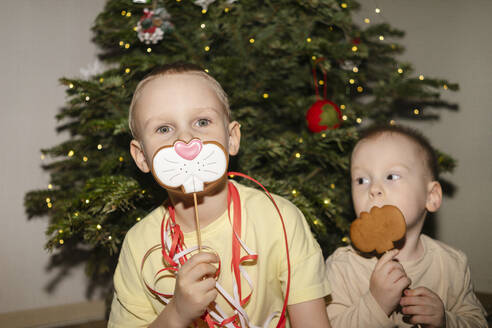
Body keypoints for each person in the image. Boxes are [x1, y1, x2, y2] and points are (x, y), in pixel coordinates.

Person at [108, 62, 332, 328]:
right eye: (164, 129)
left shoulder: (280, 220)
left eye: (202, 122)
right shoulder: (138, 245)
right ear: (142, 157)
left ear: (232, 138)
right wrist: (177, 313)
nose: (187, 140)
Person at [325, 124, 488, 327]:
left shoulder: (451, 265)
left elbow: (478, 322)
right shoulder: (343, 267)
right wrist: (375, 305)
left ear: (431, 196)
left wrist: (446, 320)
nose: (374, 189)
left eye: (392, 176)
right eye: (362, 180)